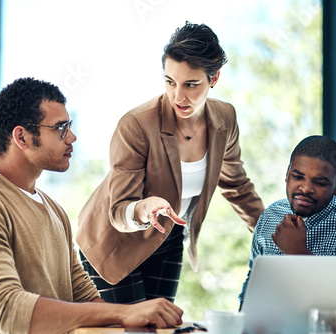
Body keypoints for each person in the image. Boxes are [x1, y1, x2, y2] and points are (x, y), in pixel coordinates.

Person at [0, 77, 183, 334]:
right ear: (21, 137)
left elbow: (84, 297)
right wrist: (125, 312)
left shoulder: (54, 210)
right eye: (60, 128)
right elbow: (8, 311)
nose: (72, 137)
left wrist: (134, 320)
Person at [76, 21, 265, 303]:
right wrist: (143, 207)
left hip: (168, 237)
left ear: (214, 79)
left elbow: (237, 185)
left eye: (191, 84)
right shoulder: (137, 125)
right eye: (170, 82)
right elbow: (118, 211)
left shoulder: (225, 118)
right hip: (114, 242)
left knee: (162, 327)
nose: (178, 96)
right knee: (134, 331)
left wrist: (272, 236)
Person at [238, 135, 336, 328]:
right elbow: (250, 297)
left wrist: (299, 255)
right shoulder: (270, 217)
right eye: (297, 177)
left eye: (319, 183)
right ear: (287, 174)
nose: (305, 188)